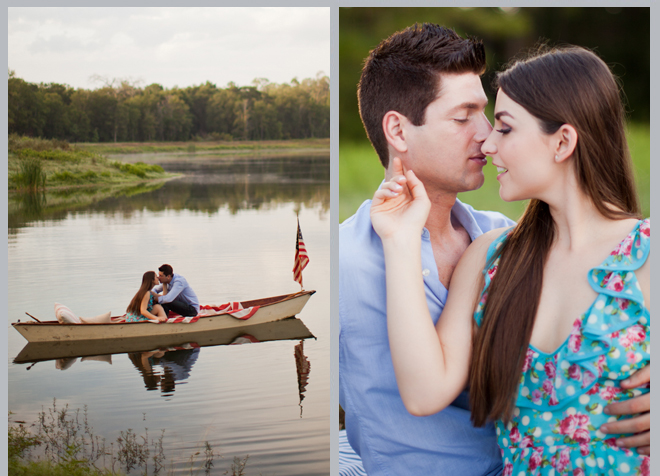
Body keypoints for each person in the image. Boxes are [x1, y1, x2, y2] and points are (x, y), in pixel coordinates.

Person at [338, 24, 651, 476]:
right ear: (399, 131)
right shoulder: (488, 257)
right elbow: (422, 392)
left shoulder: (503, 240)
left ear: (563, 142)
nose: (486, 140)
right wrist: (401, 240)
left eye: (500, 124)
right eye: (465, 117)